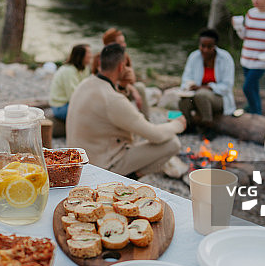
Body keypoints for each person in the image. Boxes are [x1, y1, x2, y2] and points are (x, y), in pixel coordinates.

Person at [67, 43, 187, 178]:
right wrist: (177, 124)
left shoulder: (86, 84)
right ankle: (130, 178)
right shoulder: (113, 99)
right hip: (101, 167)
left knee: (134, 134)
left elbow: (115, 114)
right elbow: (156, 135)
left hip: (78, 161)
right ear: (121, 66)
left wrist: (123, 87)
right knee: (172, 143)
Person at [178, 29, 235, 131]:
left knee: (201, 94)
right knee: (183, 101)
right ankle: (189, 126)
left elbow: (227, 86)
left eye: (209, 47)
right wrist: (188, 86)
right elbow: (186, 78)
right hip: (196, 96)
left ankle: (209, 126)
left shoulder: (225, 58)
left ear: (215, 46)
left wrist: (207, 87)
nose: (205, 50)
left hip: (219, 98)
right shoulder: (194, 56)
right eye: (202, 46)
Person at [92, 28, 150, 120]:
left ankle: (146, 121)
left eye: (124, 42)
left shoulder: (125, 57)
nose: (124, 45)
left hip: (123, 88)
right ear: (110, 44)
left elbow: (131, 80)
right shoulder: (99, 59)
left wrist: (132, 89)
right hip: (108, 91)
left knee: (140, 87)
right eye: (121, 42)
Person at [48, 44, 92, 121]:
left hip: (71, 103)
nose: (91, 56)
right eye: (88, 53)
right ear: (80, 56)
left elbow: (87, 88)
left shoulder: (85, 68)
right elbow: (73, 97)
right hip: (60, 106)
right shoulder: (68, 71)